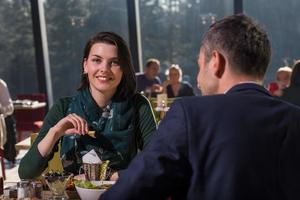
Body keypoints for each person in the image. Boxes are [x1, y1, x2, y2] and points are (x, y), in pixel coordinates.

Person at [101, 14, 300, 200]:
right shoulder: (295, 119)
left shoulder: (190, 114)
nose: (197, 80)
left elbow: (132, 190)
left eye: (199, 66)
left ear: (216, 62)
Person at [18, 32, 157, 180]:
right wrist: (55, 132)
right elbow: (26, 173)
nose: (104, 69)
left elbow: (157, 163)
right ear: (85, 66)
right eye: (97, 60)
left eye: (114, 62)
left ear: (124, 69)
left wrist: (110, 177)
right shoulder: (63, 107)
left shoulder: (139, 106)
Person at [0, 79, 17, 166]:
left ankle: (9, 157)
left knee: (8, 121)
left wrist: (1, 109)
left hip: (2, 119)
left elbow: (10, 108)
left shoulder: (1, 84)